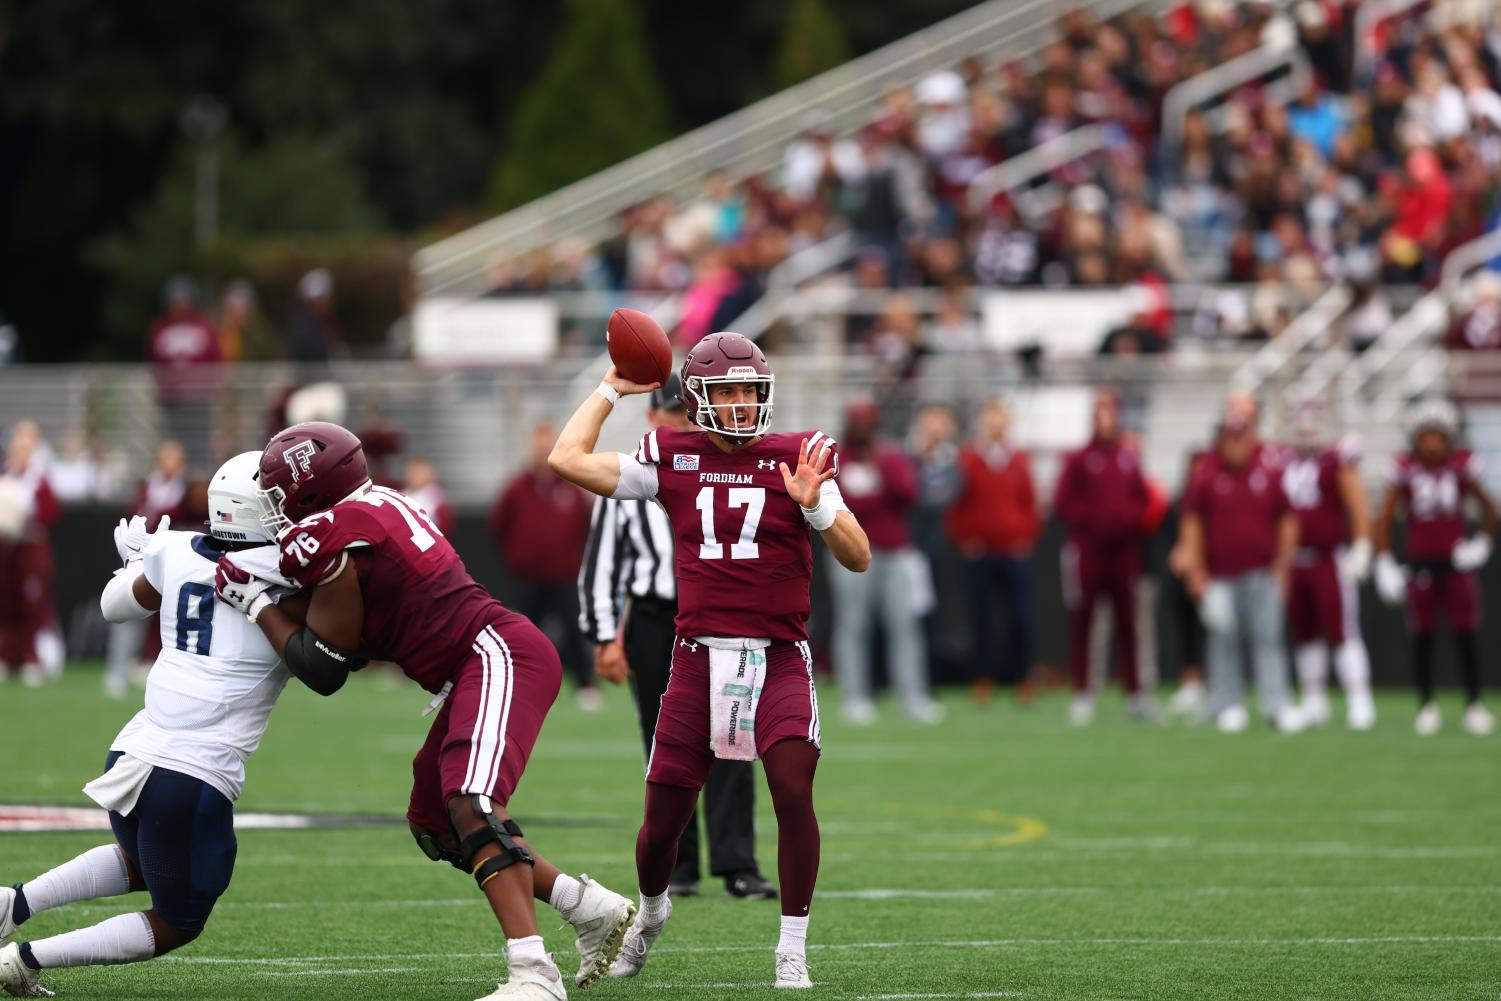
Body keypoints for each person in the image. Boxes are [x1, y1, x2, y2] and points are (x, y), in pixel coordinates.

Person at [215, 421, 634, 999]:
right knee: (437, 823)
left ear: (312, 492)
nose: (275, 508)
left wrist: (257, 601)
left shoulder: (330, 534)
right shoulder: (372, 506)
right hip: (475, 665)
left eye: (279, 492)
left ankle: (534, 974)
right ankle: (585, 907)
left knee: (472, 802)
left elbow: (324, 668)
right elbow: (354, 639)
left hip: (495, 655)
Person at [547, 331, 871, 989]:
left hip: (778, 657)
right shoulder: (672, 455)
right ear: (696, 398)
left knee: (790, 785)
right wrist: (612, 388)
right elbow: (566, 458)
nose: (741, 403)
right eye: (725, 390)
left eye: (749, 389)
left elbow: (859, 554)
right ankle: (653, 913)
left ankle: (791, 947)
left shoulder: (798, 458)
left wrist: (813, 507)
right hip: (694, 659)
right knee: (660, 827)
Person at [0, 453, 296, 997]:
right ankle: (21, 959)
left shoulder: (179, 549)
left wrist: (142, 563)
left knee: (143, 862)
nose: (289, 512)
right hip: (191, 773)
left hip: (135, 748)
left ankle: (11, 905)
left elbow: (115, 606)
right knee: (180, 917)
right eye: (277, 504)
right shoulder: (289, 571)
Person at [576, 374, 774, 900]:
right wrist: (603, 636)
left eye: (688, 414)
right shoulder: (636, 473)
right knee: (666, 739)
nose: (682, 423)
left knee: (736, 732)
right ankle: (679, 865)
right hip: (656, 617)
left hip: (720, 612)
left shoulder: (726, 466)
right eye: (672, 414)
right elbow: (602, 564)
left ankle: (737, 861)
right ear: (652, 418)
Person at [1373, 399, 1496, 736]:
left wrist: (1481, 544)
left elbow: (1491, 508)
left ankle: (1473, 704)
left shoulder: (1460, 467)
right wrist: (1384, 561)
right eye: (1426, 436)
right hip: (1421, 564)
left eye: (1437, 436)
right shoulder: (1406, 469)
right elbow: (1383, 518)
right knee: (1423, 638)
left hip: (1456, 564)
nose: (1432, 443)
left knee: (1465, 635)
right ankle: (1426, 705)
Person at [1178, 405, 1302, 733]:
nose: (1235, 444)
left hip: (1262, 572)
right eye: (1229, 436)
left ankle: (1276, 704)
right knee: (1223, 640)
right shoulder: (1207, 472)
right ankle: (1227, 702)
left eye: (1241, 435)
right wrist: (1196, 571)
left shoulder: (1267, 469)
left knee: (1268, 640)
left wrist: (1284, 565)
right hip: (1220, 576)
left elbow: (1286, 518)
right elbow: (1191, 523)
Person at [827, 399, 940, 724]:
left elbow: (908, 493)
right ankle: (854, 698)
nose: (863, 428)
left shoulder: (889, 457)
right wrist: (876, 499)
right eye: (857, 422)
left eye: (867, 422)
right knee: (853, 626)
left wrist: (881, 477)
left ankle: (914, 698)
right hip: (849, 555)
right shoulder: (839, 459)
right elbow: (840, 503)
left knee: (905, 627)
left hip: (895, 553)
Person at [1278, 401, 1377, 730]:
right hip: (1295, 559)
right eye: (1301, 423)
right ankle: (1313, 700)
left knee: (1342, 630)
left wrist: (1362, 545)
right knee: (1305, 632)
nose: (1307, 430)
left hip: (1327, 556)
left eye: (1313, 423)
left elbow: (1358, 502)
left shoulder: (1336, 459)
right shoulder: (1283, 460)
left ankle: (1359, 700)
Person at [1054, 392, 1152, 724]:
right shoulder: (1079, 458)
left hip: (1123, 552)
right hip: (1089, 551)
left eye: (1110, 413)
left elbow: (1142, 499)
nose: (1105, 420)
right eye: (1100, 413)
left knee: (1129, 624)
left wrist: (1124, 520)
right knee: (1083, 623)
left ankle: (1136, 693)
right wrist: (1096, 521)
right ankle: (1083, 692)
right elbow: (1062, 502)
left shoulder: (1128, 457)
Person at [490, 423, 601, 710]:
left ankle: (586, 685)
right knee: (522, 633)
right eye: (538, 446)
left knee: (575, 630)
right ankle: (516, 685)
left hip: (565, 575)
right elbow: (500, 526)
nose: (542, 452)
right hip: (528, 577)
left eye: (547, 446)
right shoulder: (516, 488)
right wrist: (518, 556)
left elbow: (586, 528)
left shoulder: (571, 488)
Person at [944, 399, 1040, 704]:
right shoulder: (969, 459)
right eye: (991, 418)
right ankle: (982, 678)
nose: (996, 424)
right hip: (981, 552)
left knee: (1020, 618)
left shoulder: (1020, 459)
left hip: (1013, 552)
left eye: (1001, 418)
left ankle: (1022, 678)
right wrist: (966, 539)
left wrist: (1025, 537)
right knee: (980, 618)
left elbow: (1031, 503)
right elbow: (956, 505)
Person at [0, 421, 60, 687]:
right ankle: (8, 657)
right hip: (7, 548)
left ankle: (32, 658)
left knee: (32, 602)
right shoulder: (6, 473)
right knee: (6, 602)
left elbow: (51, 511)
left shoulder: (39, 477)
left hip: (31, 546)